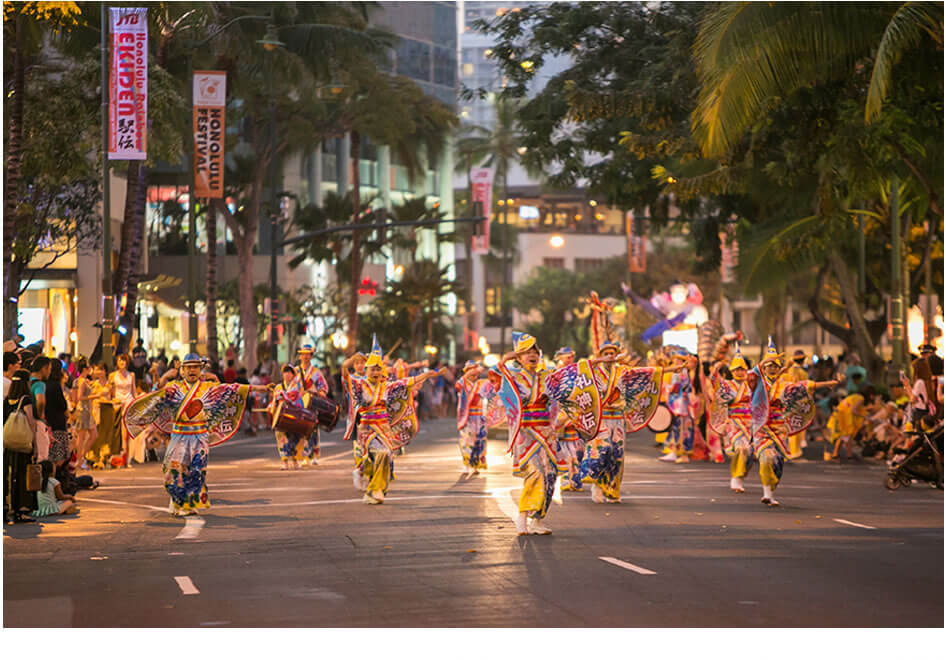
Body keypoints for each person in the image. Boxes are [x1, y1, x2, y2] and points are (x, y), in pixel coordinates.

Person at [123, 353, 269, 516]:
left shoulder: (208, 388)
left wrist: (259, 388)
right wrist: (164, 376)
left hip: (199, 437)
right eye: (189, 367)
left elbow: (231, 389)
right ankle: (178, 500)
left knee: (196, 472)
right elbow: (156, 396)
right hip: (179, 435)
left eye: (196, 367)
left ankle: (187, 504)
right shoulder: (174, 388)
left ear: (201, 370)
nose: (192, 370)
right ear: (183, 370)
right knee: (172, 470)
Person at [348, 336, 445, 504]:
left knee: (386, 456)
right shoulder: (359, 384)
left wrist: (427, 374)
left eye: (379, 369)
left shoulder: (387, 387)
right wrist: (345, 367)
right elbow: (347, 382)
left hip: (384, 429)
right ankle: (371, 482)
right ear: (366, 370)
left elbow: (406, 382)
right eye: (373, 369)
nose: (376, 372)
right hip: (367, 430)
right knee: (378, 456)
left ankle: (376, 488)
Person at [496, 332, 571, 535]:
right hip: (526, 433)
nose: (532, 355)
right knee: (535, 473)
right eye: (526, 352)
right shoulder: (513, 378)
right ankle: (522, 516)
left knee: (549, 476)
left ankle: (537, 520)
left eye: (535, 352)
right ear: (518, 358)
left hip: (546, 433)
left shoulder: (547, 377)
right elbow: (496, 373)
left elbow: (568, 383)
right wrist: (507, 358)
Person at [749, 337, 838, 506]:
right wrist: (764, 361)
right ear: (764, 368)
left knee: (778, 463)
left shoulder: (784, 385)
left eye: (775, 366)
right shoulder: (758, 384)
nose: (773, 369)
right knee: (766, 458)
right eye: (769, 366)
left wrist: (827, 383)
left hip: (779, 429)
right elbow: (752, 374)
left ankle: (771, 488)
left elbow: (805, 385)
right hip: (762, 428)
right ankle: (767, 493)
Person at [710, 346, 755, 493]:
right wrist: (716, 368)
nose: (740, 372)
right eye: (737, 369)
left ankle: (740, 476)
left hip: (749, 423)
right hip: (733, 423)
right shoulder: (727, 385)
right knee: (740, 449)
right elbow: (714, 382)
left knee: (749, 453)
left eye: (742, 369)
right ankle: (735, 478)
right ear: (732, 371)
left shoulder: (751, 385)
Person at [455, 361, 502, 476]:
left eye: (475, 370)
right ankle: (466, 465)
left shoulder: (482, 383)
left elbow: (494, 389)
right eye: (470, 370)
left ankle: (475, 465)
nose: (474, 373)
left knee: (479, 441)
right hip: (467, 416)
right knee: (467, 440)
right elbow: (458, 387)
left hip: (480, 416)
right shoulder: (462, 383)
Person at [4, 369, 38, 523]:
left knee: (8, 475)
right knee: (22, 475)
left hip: (8, 443)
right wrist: (34, 443)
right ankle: (21, 509)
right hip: (23, 444)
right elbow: (31, 422)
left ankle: (6, 508)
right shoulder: (26, 400)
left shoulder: (7, 400)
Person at [294, 344, 329, 467]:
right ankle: (304, 455)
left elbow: (324, 387)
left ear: (311, 356)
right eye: (303, 354)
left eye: (308, 354)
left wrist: (320, 394)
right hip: (299, 403)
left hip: (312, 403)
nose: (305, 356)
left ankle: (314, 455)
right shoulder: (295, 371)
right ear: (300, 356)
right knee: (301, 430)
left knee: (313, 429)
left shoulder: (316, 372)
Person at [270, 364, 306, 470]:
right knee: (281, 438)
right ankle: (285, 462)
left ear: (293, 375)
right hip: (282, 417)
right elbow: (274, 402)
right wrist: (272, 408)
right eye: (285, 372)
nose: (287, 374)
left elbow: (297, 399)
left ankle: (295, 461)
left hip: (293, 416)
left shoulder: (297, 386)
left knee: (294, 438)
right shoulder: (278, 387)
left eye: (290, 372)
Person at [108, 354, 139, 467]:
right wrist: (112, 401)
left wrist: (137, 403)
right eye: (120, 361)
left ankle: (128, 457)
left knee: (128, 431)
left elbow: (134, 390)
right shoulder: (112, 375)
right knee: (118, 432)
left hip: (129, 403)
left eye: (124, 361)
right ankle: (120, 455)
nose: (122, 363)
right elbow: (110, 391)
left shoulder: (132, 375)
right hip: (117, 404)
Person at [44, 359, 71, 468]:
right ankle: (54, 481)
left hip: (46, 423)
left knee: (50, 455)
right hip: (57, 423)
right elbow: (62, 405)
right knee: (57, 457)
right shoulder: (55, 385)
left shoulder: (42, 384)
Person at [72, 358, 99, 470]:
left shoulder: (83, 380)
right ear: (85, 369)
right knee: (82, 436)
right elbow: (79, 397)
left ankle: (81, 458)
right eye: (89, 368)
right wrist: (94, 396)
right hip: (83, 410)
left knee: (93, 434)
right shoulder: (82, 381)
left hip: (86, 410)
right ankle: (79, 460)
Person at [785, 349, 811, 459]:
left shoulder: (788, 371)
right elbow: (807, 388)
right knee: (797, 426)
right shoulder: (803, 373)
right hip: (799, 401)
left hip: (788, 401)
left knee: (790, 426)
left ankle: (790, 450)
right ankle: (795, 451)